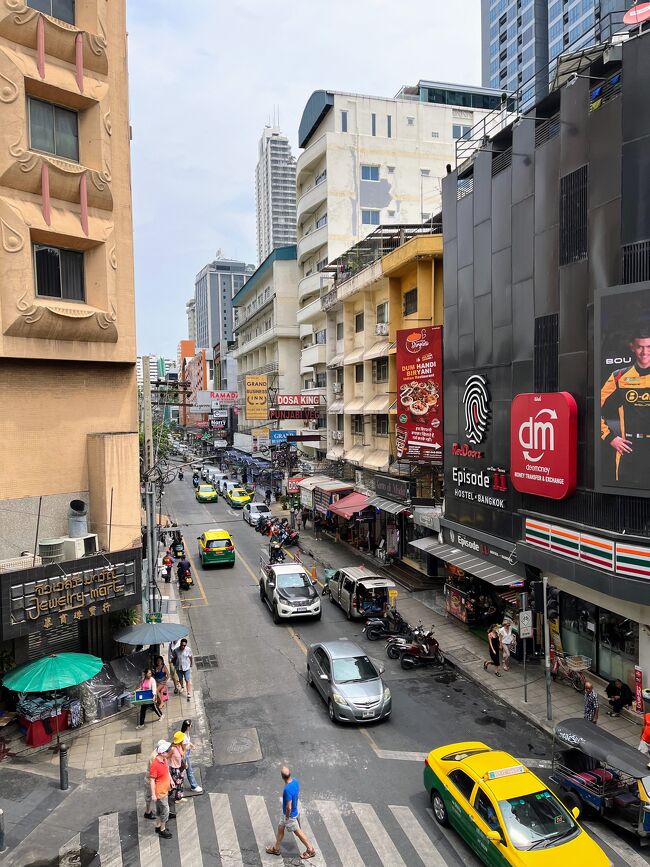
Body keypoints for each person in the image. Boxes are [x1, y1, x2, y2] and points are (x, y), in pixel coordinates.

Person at [600, 324, 650, 486]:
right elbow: (594, 409)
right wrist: (610, 438)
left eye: (648, 346)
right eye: (640, 347)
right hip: (629, 450)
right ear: (632, 347)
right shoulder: (618, 377)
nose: (644, 352)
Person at [266, 766, 316, 860]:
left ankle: (310, 849)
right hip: (291, 812)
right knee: (280, 828)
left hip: (289, 815)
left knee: (298, 833)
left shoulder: (287, 789)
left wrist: (287, 817)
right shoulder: (295, 781)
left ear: (282, 777)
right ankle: (276, 848)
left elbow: (288, 806)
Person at [143, 740, 177, 822]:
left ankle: (162, 814)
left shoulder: (160, 755)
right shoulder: (155, 758)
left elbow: (165, 769)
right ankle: (151, 813)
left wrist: (170, 780)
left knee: (161, 800)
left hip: (160, 782)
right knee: (154, 798)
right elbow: (153, 777)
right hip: (155, 782)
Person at [148, 740, 174, 839]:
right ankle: (162, 829)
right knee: (165, 811)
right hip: (160, 792)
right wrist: (153, 794)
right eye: (168, 751)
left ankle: (158, 826)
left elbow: (166, 770)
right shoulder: (155, 764)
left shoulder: (164, 760)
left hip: (164, 790)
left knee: (159, 810)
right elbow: (152, 780)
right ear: (163, 753)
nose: (169, 752)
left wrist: (171, 780)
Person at [180, 718, 203, 794]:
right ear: (187, 726)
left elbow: (187, 742)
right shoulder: (183, 736)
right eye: (191, 725)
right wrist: (185, 761)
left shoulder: (186, 733)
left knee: (181, 770)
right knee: (189, 770)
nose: (192, 726)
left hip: (187, 752)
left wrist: (191, 745)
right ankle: (194, 786)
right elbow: (183, 750)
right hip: (185, 754)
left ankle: (177, 785)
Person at [175, 638, 193, 702]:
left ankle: (188, 693)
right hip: (179, 667)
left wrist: (191, 663)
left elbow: (190, 657)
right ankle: (182, 686)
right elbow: (174, 657)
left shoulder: (188, 649)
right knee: (180, 678)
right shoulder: (176, 650)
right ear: (180, 644)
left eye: (184, 645)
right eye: (182, 645)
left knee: (187, 680)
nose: (183, 646)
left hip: (186, 667)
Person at [169, 731, 185, 801]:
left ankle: (178, 796)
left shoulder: (180, 745)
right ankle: (178, 798)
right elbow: (167, 757)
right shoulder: (172, 748)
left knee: (180, 783)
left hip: (179, 767)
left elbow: (182, 755)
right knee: (178, 784)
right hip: (175, 769)